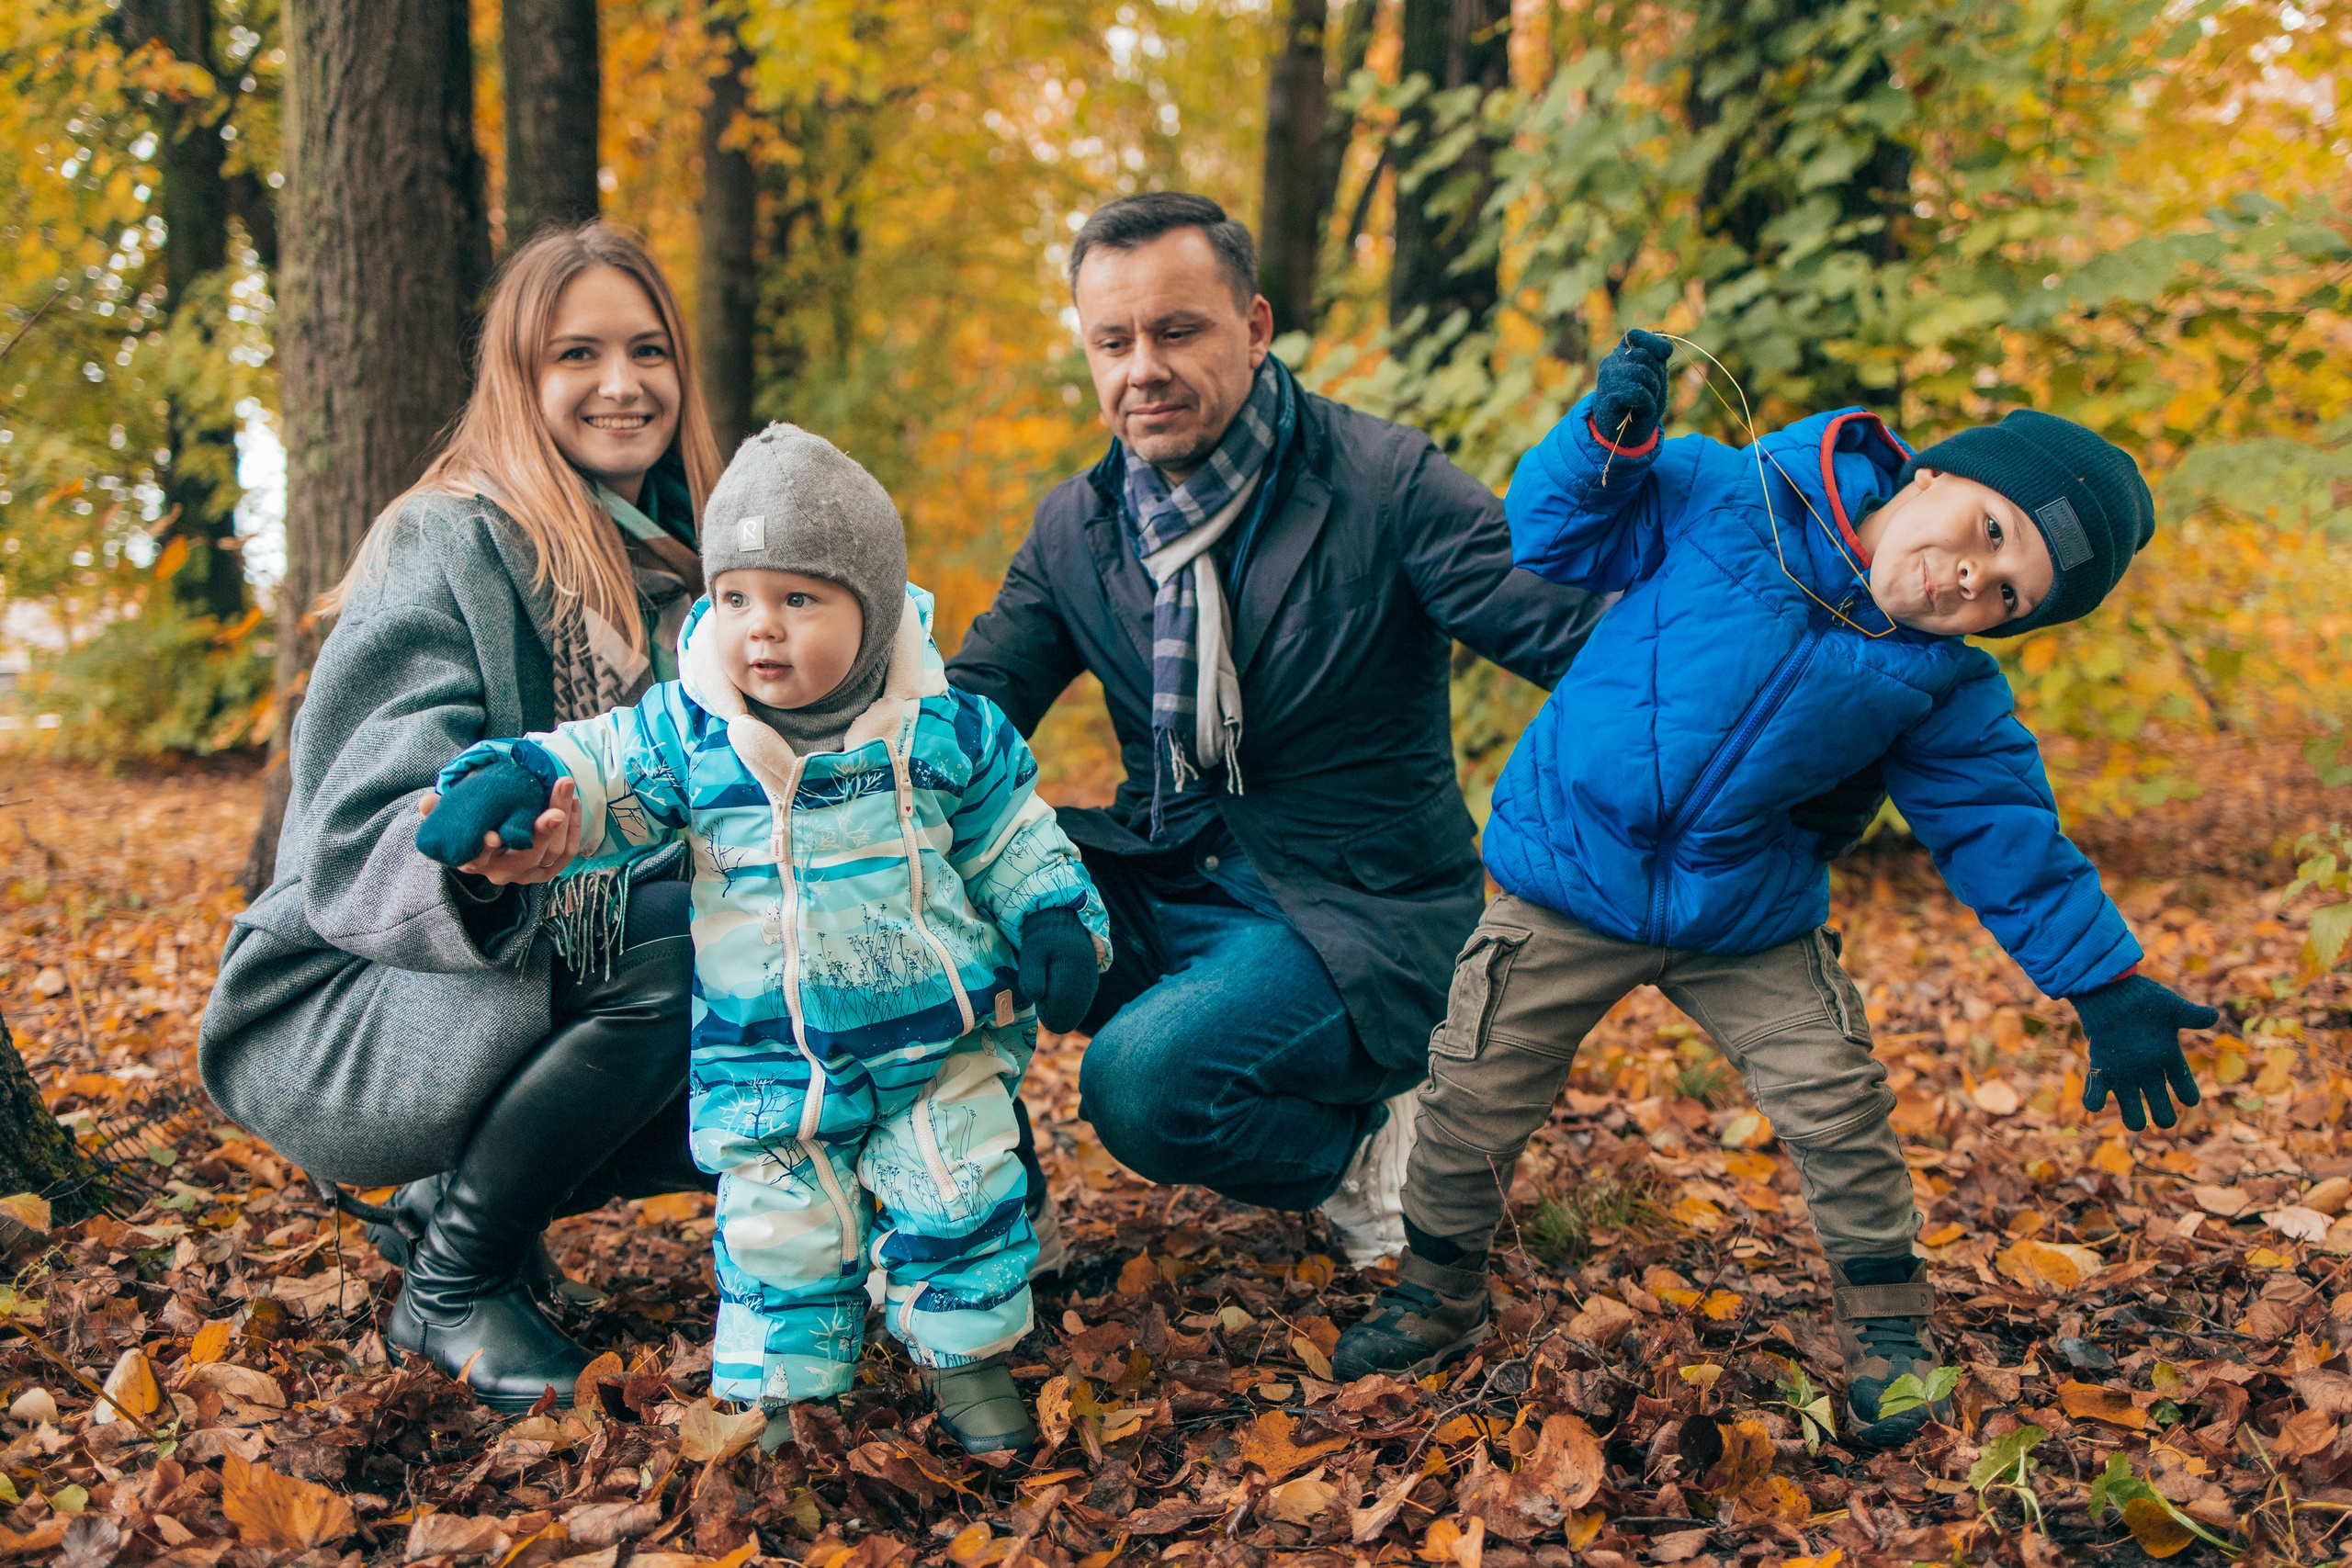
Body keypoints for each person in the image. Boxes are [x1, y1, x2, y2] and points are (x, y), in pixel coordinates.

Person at [947, 195, 1886, 1265]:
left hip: (1353, 911)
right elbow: (963, 719)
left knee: (1143, 1087)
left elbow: (1581, 644)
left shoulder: (1381, 483)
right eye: (1112, 341)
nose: (1141, 370)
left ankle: (1366, 1146)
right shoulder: (1078, 526)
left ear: (1253, 328)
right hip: (1165, 870)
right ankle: (985, 1207)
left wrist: (1809, 732)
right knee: (930, 882)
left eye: (1176, 331)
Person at [1331, 329, 2221, 1449]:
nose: (1970, 580)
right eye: (1990, 535)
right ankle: (1435, 1293)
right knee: (1468, 1096)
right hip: (1567, 875)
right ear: (1934, 471)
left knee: (1837, 1103)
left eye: (2006, 595)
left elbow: (2004, 832)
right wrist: (1608, 443)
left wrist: (2105, 980)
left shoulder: (1941, 687)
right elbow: (1550, 536)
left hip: (1745, 911)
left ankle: (1890, 1339)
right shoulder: (1724, 488)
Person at [415, 424, 1110, 1456]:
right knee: (780, 1232)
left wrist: (1056, 916)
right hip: (769, 1055)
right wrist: (511, 780)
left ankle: (970, 1368)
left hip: (937, 1043)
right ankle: (784, 1399)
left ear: (869, 612)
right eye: (736, 597)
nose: (760, 631)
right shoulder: (695, 731)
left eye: (799, 600)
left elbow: (1012, 830)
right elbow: (597, 767)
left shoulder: (945, 728)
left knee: (961, 1195)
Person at [198, 221, 723, 1410]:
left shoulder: (690, 577)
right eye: (575, 353)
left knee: (802, 981)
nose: (622, 382)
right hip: (358, 987)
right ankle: (450, 1282)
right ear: (520, 379)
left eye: (648, 349)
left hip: (564, 966)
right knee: (676, 921)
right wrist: (485, 855)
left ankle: (467, 1201)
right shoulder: (451, 539)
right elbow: (357, 824)